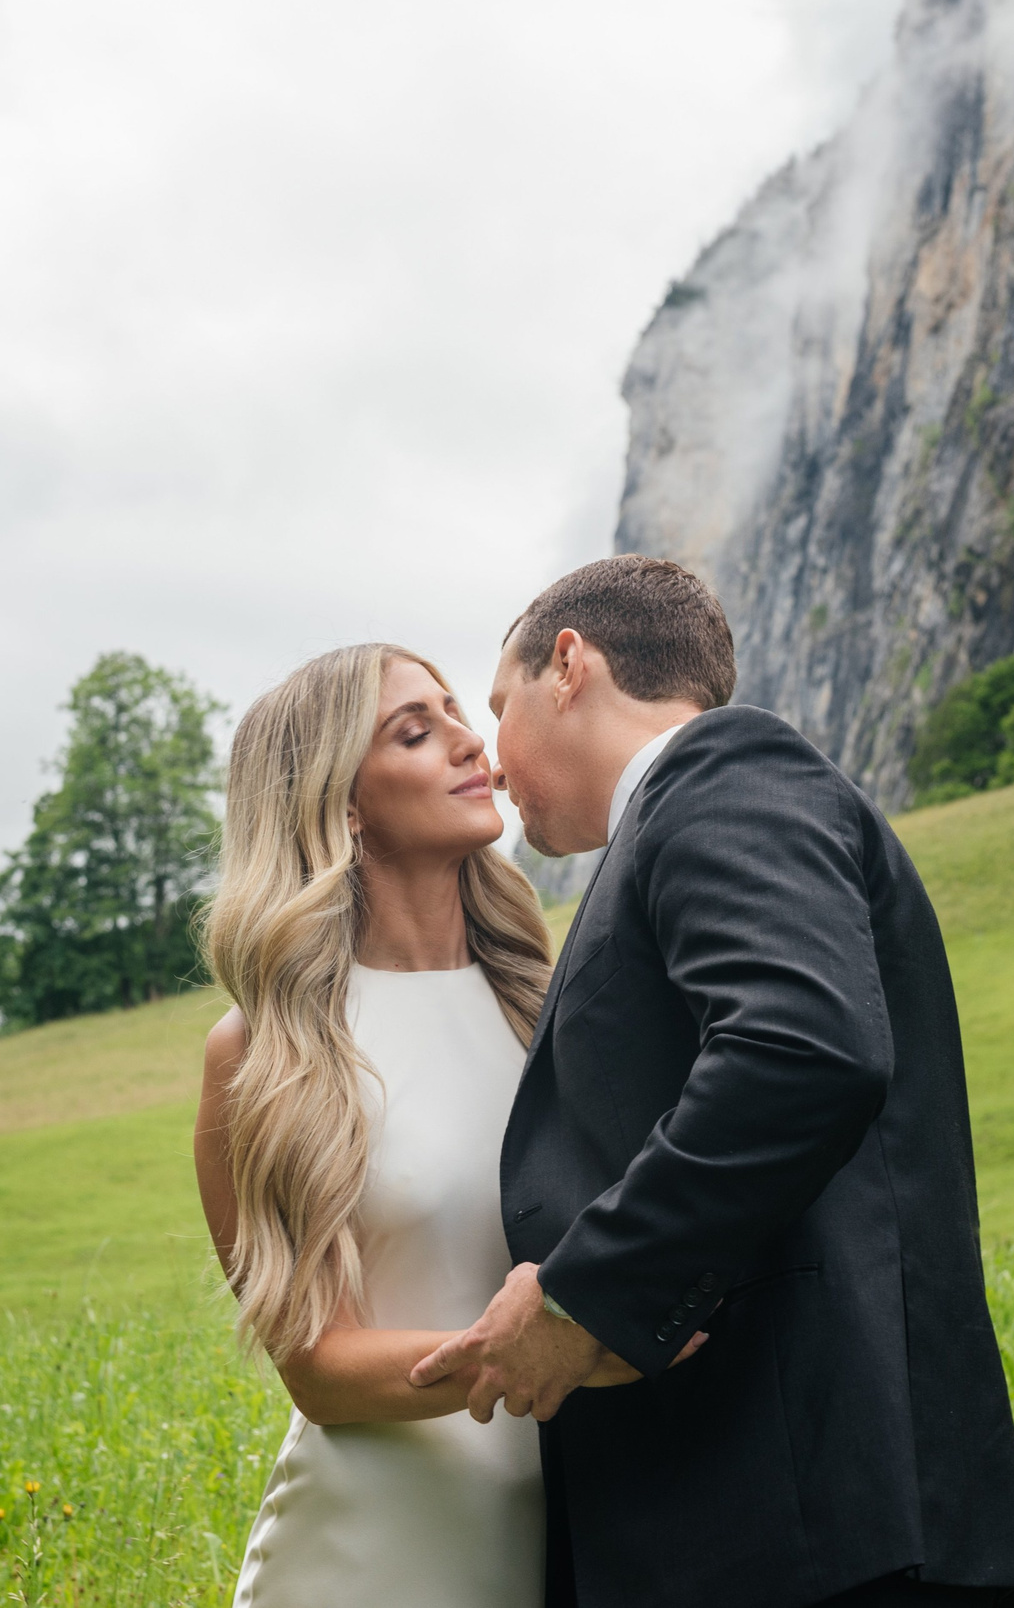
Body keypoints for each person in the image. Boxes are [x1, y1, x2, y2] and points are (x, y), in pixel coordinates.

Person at [409, 556, 1014, 1608]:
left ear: (568, 664)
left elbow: (800, 1047)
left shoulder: (725, 772)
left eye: (497, 704)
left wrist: (583, 1293)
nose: (494, 759)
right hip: (771, 1515)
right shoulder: (676, 817)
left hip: (811, 1514)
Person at [199, 643, 667, 1607]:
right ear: (342, 804)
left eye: (457, 713)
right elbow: (318, 1369)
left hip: (582, 1537)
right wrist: (559, 1348)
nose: (469, 741)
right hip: (374, 1555)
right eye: (416, 732)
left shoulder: (551, 1007)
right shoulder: (267, 1052)